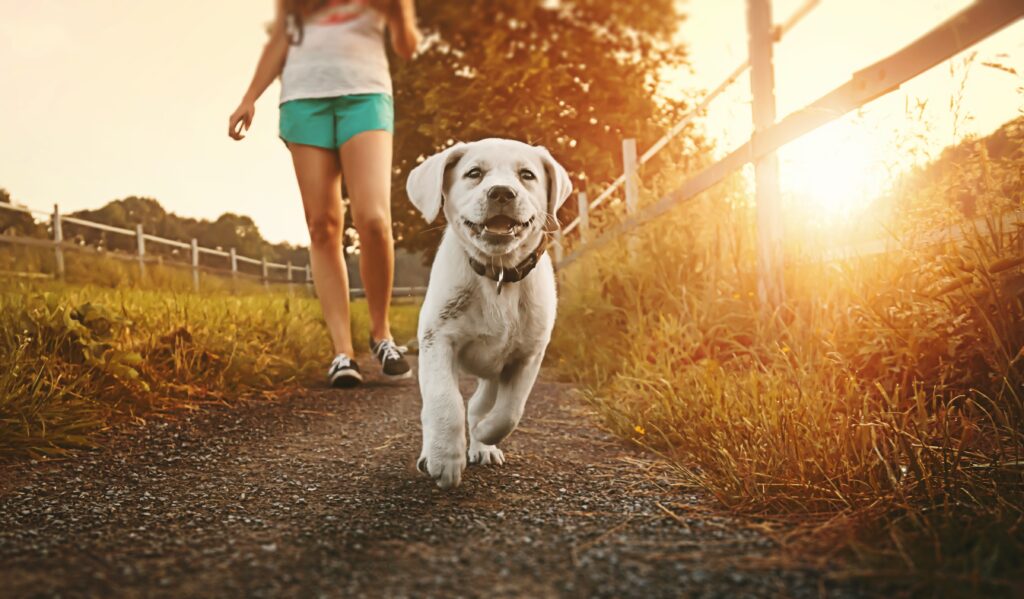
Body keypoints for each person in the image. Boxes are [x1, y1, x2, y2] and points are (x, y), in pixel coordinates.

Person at [228, 0, 421, 387]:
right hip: (302, 100)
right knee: (323, 225)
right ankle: (342, 352)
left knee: (374, 219)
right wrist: (250, 96)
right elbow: (280, 38)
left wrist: (400, 13)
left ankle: (381, 335)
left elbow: (407, 47)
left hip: (366, 95)